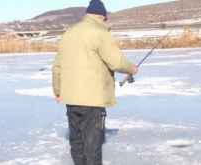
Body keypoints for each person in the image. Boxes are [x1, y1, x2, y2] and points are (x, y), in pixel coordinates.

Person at [52, 0, 138, 164]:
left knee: (76, 142)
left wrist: (58, 91)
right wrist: (131, 69)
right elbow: (116, 61)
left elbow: (57, 66)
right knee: (93, 146)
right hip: (92, 99)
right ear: (102, 16)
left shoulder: (69, 33)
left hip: (70, 98)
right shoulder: (100, 32)